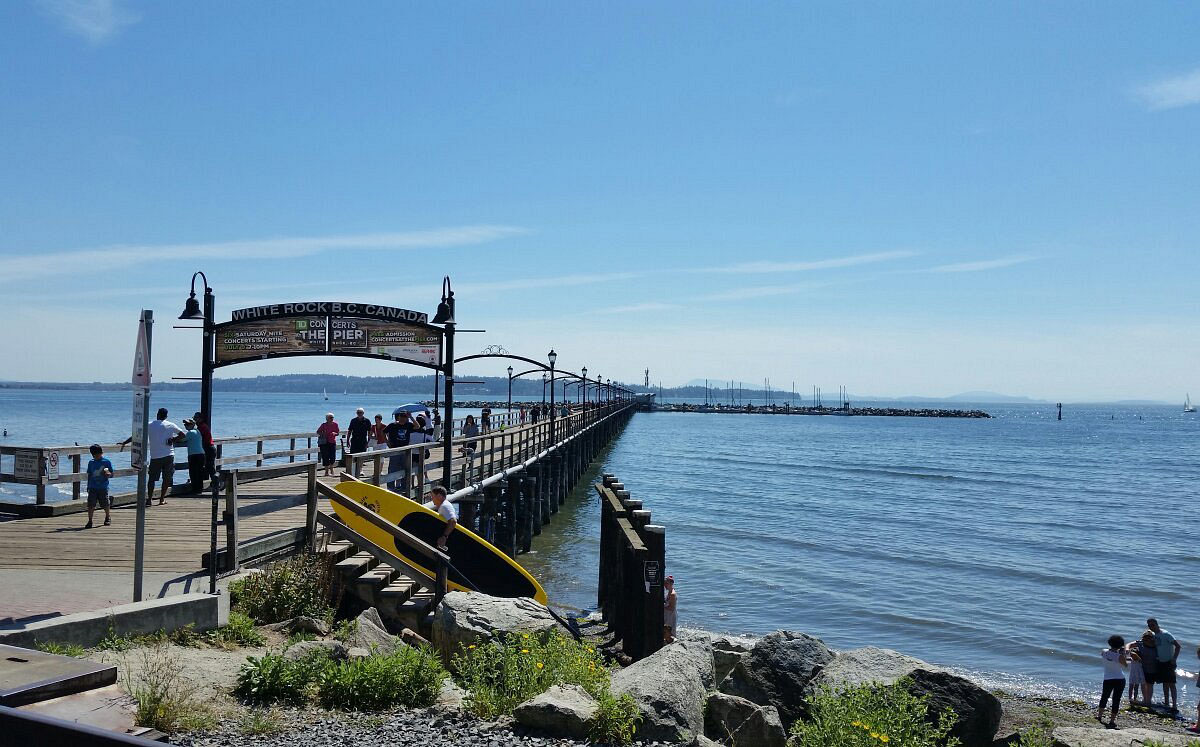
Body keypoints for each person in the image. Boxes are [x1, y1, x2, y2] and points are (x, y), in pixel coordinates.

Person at [147, 408, 185, 506]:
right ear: (166, 416)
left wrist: (125, 442)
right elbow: (182, 435)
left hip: (155, 456)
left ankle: (149, 499)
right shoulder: (170, 425)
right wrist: (173, 440)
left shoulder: (149, 424)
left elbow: (137, 435)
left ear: (157, 414)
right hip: (168, 455)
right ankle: (161, 499)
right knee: (166, 478)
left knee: (152, 478)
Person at [1148, 617, 1181, 710]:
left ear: (1157, 624)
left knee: (1171, 684)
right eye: (1149, 626)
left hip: (1169, 662)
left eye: (1153, 625)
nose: (1151, 627)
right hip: (1160, 662)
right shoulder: (1154, 635)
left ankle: (1174, 705)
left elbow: (1178, 646)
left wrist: (1174, 659)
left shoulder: (1166, 634)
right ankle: (1166, 702)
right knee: (1164, 683)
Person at [1097, 634, 1127, 726]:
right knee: (1116, 699)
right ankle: (1112, 721)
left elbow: (1108, 657)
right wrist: (1123, 654)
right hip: (1119, 679)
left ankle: (1099, 716)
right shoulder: (1120, 656)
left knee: (1104, 697)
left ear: (1110, 643)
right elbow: (1125, 665)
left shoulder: (1104, 652)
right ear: (1121, 645)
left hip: (1108, 678)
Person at [85, 444, 113, 528]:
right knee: (91, 504)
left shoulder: (106, 462)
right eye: (94, 455)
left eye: (98, 454)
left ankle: (107, 517)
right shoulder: (91, 462)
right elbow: (89, 474)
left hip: (103, 487)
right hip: (93, 486)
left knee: (105, 503)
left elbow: (111, 474)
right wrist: (88, 485)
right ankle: (90, 520)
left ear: (101, 453)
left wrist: (108, 474)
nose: (96, 456)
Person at [384, 411, 412, 492]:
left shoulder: (408, 425)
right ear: (398, 417)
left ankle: (404, 487)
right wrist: (387, 442)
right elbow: (384, 432)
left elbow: (417, 426)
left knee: (404, 469)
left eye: (405, 417)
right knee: (392, 469)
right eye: (402, 416)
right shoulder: (393, 425)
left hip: (405, 451)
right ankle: (390, 487)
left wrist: (411, 417)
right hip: (395, 450)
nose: (403, 418)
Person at [422, 485, 457, 550]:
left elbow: (453, 521)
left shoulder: (444, 506)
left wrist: (444, 536)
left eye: (433, 496)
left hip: (449, 537)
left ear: (439, 496)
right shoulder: (444, 505)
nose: (432, 499)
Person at [193, 412, 222, 491]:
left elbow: (198, 437)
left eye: (196, 418)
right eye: (194, 418)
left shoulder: (202, 427)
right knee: (209, 467)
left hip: (209, 449)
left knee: (210, 467)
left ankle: (217, 482)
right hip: (208, 448)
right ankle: (215, 483)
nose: (194, 419)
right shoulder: (202, 427)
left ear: (201, 419)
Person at [1126, 632, 1151, 707]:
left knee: (1136, 687)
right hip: (1133, 675)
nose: (1133, 656)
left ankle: (1134, 698)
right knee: (1131, 687)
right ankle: (1130, 698)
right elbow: (1126, 659)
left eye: (1134, 656)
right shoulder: (1133, 660)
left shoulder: (1139, 661)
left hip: (1137, 675)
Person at [183, 419, 207, 493]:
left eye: (187, 424)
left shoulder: (190, 432)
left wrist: (173, 439)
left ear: (192, 424)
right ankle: (199, 489)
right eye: (185, 424)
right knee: (199, 472)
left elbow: (182, 439)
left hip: (194, 455)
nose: (185, 426)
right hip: (201, 454)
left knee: (193, 473)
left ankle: (195, 489)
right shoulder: (197, 431)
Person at [346, 408, 371, 476]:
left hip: (363, 440)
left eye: (360, 412)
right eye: (358, 412)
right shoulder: (353, 420)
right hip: (354, 440)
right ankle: (353, 469)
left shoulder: (367, 421)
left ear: (363, 413)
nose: (359, 414)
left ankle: (360, 470)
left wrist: (368, 441)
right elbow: (350, 431)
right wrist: (347, 440)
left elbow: (369, 432)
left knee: (362, 455)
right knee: (353, 455)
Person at [316, 413, 340, 477]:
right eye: (330, 417)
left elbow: (338, 433)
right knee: (325, 457)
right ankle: (326, 471)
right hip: (324, 443)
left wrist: (334, 433)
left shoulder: (335, 424)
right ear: (327, 418)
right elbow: (318, 432)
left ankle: (331, 469)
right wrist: (323, 433)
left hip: (332, 442)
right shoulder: (323, 425)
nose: (332, 419)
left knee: (332, 457)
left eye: (332, 417)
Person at [663, 575, 678, 644]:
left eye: (666, 583)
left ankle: (673, 643)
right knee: (665, 630)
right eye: (664, 583)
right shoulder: (668, 592)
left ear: (671, 584)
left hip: (670, 615)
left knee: (670, 630)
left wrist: (662, 607)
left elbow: (671, 608)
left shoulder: (672, 594)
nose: (665, 585)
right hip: (667, 614)